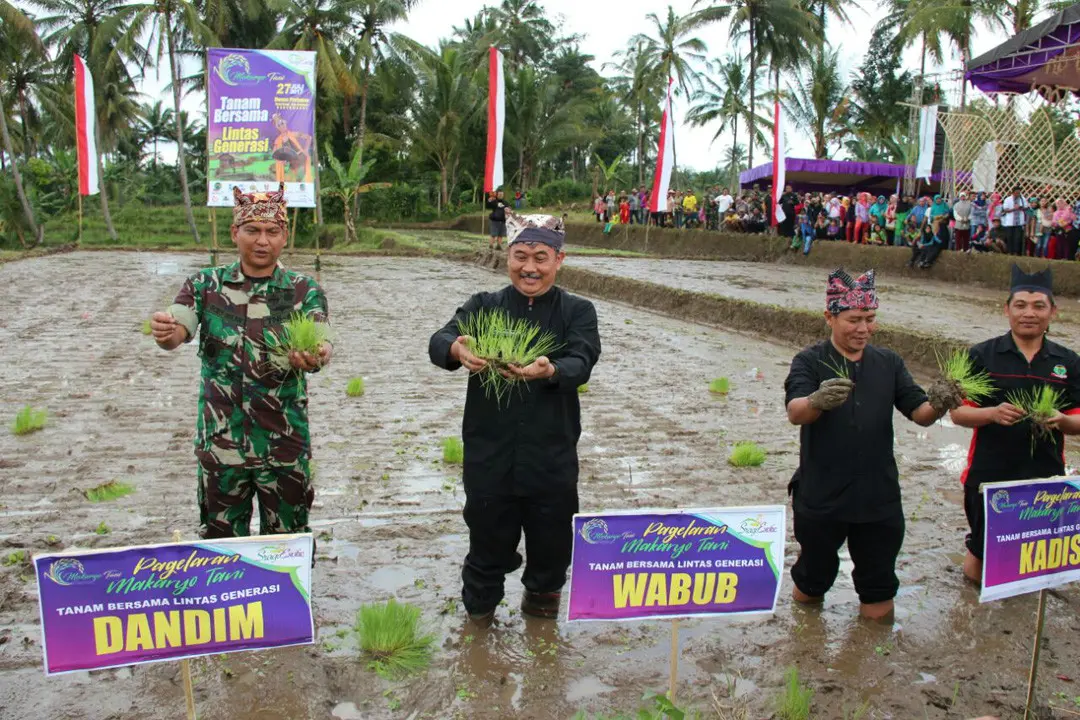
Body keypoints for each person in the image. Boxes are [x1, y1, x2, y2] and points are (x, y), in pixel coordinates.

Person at [429, 213, 601, 625]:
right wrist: (457, 350)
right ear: (508, 257)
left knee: (552, 545)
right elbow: (440, 340)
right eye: (521, 256)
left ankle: (541, 612)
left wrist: (551, 369)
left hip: (551, 458)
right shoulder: (484, 306)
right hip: (490, 457)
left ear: (559, 260)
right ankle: (480, 618)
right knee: (486, 542)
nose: (530, 267)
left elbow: (582, 359)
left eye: (541, 257)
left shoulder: (577, 311)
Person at [149, 184, 331, 539]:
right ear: (235, 233)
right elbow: (178, 328)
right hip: (221, 445)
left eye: (272, 232)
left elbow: (321, 338)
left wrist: (316, 355)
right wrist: (166, 331)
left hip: (284, 444)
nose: (262, 240)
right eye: (252, 230)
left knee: (287, 543)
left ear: (284, 236)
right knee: (221, 548)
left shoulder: (303, 290)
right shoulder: (204, 285)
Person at [784, 268, 958, 620]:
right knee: (813, 576)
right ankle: (804, 639)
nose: (864, 328)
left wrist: (940, 402)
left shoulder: (888, 363)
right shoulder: (810, 361)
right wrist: (817, 400)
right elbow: (795, 411)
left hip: (878, 496)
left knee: (878, 582)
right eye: (854, 319)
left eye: (870, 319)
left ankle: (874, 655)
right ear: (829, 317)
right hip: (822, 495)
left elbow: (919, 413)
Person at [948, 266, 1080, 584]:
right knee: (980, 555)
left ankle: (1014, 617)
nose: (1028, 313)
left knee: (1032, 557)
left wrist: (1062, 420)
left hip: (1045, 480)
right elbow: (957, 414)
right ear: (1007, 309)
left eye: (1038, 306)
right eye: (1020, 305)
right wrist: (991, 414)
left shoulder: (1068, 362)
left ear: (1053, 312)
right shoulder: (981, 355)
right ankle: (977, 614)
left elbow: (1077, 419)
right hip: (988, 477)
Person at [1001, 186, 1029, 256]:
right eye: (1016, 193)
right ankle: (1010, 252)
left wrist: (1020, 207)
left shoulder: (1022, 199)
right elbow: (1005, 209)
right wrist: (1014, 209)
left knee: (1017, 238)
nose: (1018, 194)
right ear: (1013, 193)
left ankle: (1016, 252)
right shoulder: (1008, 199)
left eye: (1019, 193)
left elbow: (1026, 207)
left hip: (1019, 222)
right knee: (1010, 237)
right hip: (1010, 222)